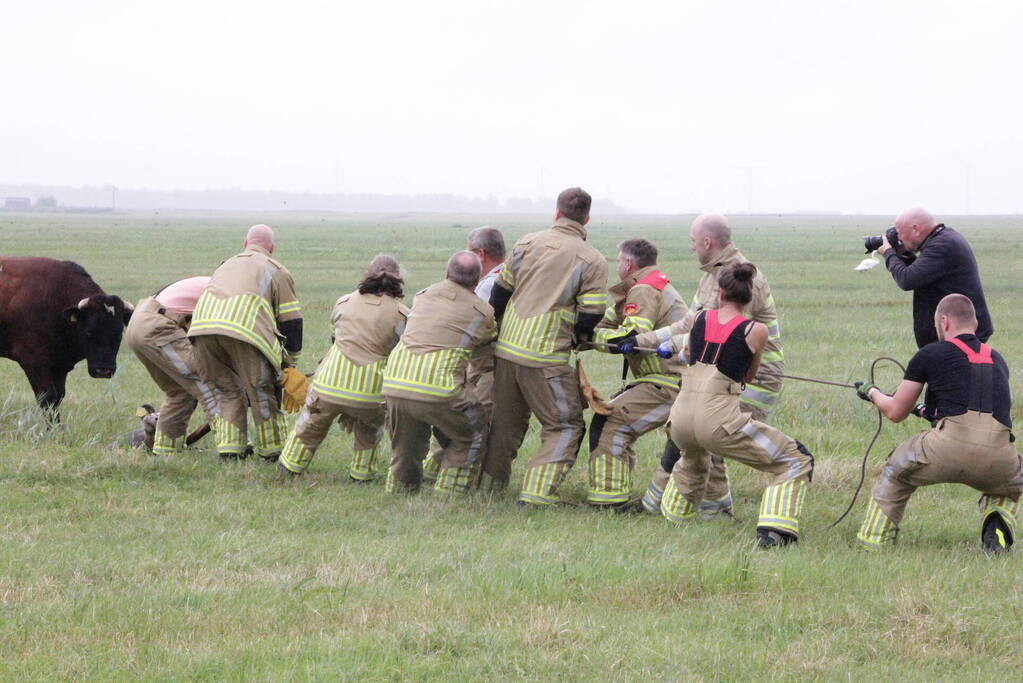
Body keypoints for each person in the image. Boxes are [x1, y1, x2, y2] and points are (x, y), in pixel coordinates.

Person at [633, 214, 784, 518]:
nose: (691, 248)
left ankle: (712, 513)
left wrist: (670, 347)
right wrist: (639, 340)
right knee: (697, 437)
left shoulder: (741, 277)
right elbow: (690, 324)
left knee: (707, 436)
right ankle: (710, 510)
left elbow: (724, 334)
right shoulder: (709, 277)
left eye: (692, 241)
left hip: (751, 376)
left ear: (707, 241)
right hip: (720, 372)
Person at [661, 262, 813, 547]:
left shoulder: (699, 318)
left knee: (693, 460)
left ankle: (672, 521)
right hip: (717, 421)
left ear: (720, 294)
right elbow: (749, 375)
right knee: (795, 459)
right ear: (749, 298)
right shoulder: (756, 331)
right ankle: (774, 535)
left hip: (679, 419)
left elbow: (688, 353)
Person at [854, 294, 1021, 552]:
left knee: (895, 471)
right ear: (974, 323)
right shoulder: (997, 359)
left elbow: (896, 412)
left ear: (943, 322)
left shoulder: (929, 354)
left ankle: (873, 542)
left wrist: (872, 392)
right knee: (1009, 488)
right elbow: (978, 408)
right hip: (999, 456)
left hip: (946, 449)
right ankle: (997, 526)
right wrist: (923, 410)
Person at [483, 188, 609, 505]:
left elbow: (499, 294)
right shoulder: (591, 259)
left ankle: (489, 488)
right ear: (587, 218)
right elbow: (590, 316)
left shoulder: (526, 242)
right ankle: (536, 492)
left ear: (557, 213)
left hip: (507, 348)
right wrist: (580, 342)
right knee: (565, 425)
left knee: (504, 426)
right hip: (546, 356)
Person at [277, 255, 409, 480]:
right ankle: (361, 474)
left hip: (329, 385)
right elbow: (400, 354)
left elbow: (334, 339)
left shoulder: (344, 302)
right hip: (371, 393)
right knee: (369, 431)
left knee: (310, 425)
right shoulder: (402, 314)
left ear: (367, 273)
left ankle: (290, 466)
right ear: (399, 280)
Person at [381, 251, 496, 494]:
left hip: (395, 382)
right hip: (440, 389)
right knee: (472, 433)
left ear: (446, 274)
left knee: (405, 445)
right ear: (477, 281)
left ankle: (399, 491)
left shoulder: (422, 296)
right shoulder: (482, 312)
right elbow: (484, 356)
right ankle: (449, 494)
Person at [585, 238, 686, 507]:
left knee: (611, 421)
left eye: (618, 260)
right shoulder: (647, 286)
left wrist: (589, 335)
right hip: (671, 380)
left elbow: (630, 337)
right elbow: (607, 322)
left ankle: (609, 502)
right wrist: (594, 330)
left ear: (628, 263)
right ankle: (618, 496)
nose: (617, 264)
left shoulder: (643, 290)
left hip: (668, 381)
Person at [188, 224, 303, 460]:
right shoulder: (276, 269)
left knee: (226, 391)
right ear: (271, 248)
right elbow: (291, 321)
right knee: (261, 389)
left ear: (245, 243)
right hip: (245, 331)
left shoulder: (224, 265)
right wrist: (290, 363)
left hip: (201, 330)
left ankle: (230, 451)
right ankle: (272, 452)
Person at [422, 225, 505, 482]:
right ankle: (434, 473)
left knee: (470, 426)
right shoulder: (509, 276)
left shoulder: (486, 287)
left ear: (480, 254)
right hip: (494, 362)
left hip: (484, 365)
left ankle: (453, 479)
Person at [125, 276, 220, 455]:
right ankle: (232, 449)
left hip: (139, 323)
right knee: (207, 382)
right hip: (158, 326)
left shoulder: (213, 284)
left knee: (179, 391)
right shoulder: (226, 292)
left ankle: (165, 451)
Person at [877, 207, 993, 348]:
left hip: (961, 334)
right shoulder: (944, 238)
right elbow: (922, 273)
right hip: (957, 331)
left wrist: (889, 254)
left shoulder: (942, 245)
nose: (899, 238)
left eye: (900, 233)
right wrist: (903, 253)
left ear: (915, 229)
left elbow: (907, 280)